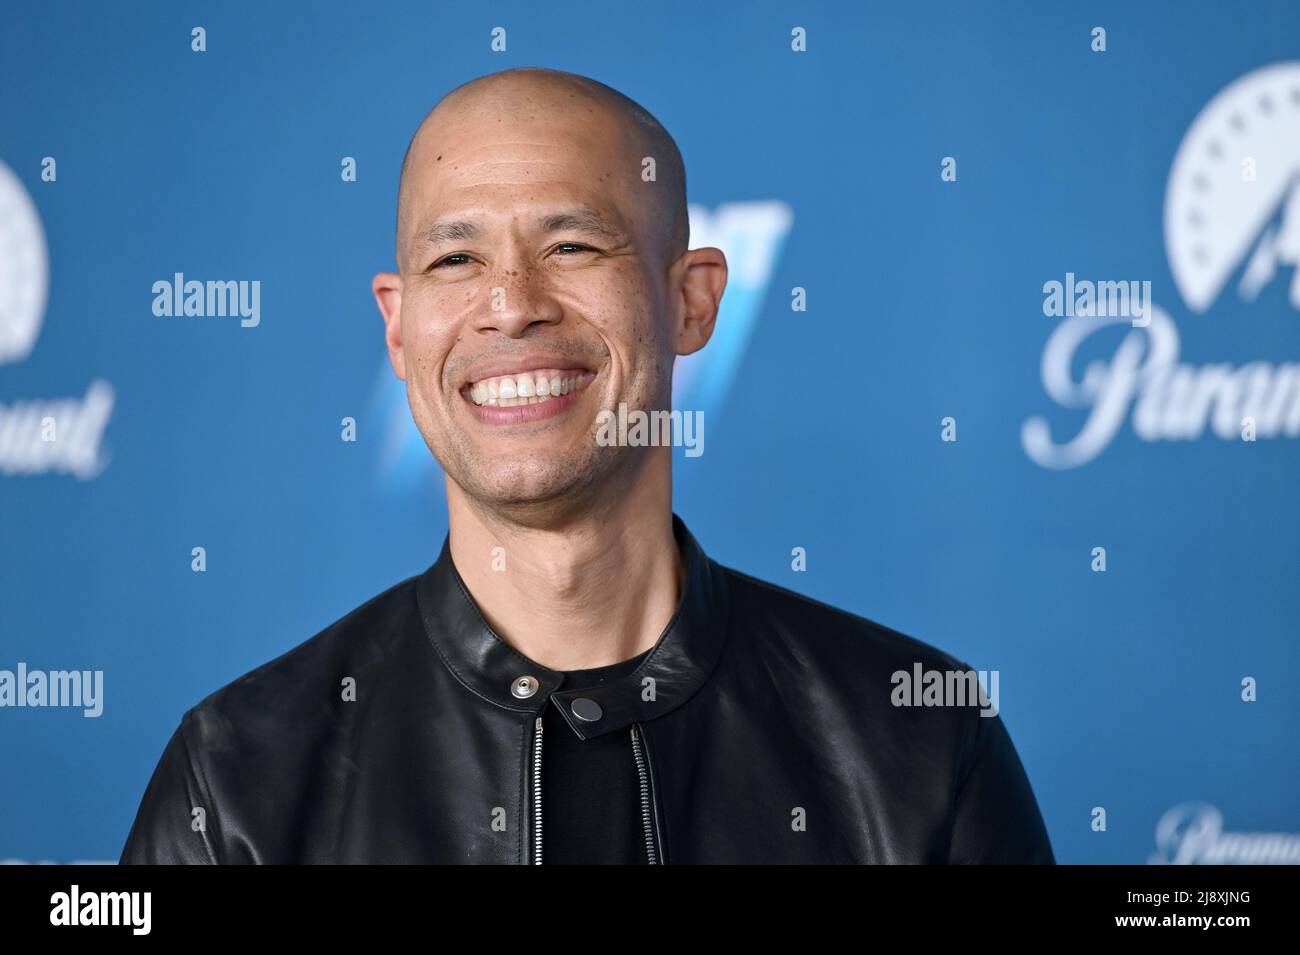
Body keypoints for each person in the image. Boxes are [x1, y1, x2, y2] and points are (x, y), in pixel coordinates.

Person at [120, 66, 1054, 864]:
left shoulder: (920, 742)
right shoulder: (236, 780)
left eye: (571, 245)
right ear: (398, 328)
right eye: (455, 260)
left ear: (691, 301)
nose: (511, 305)